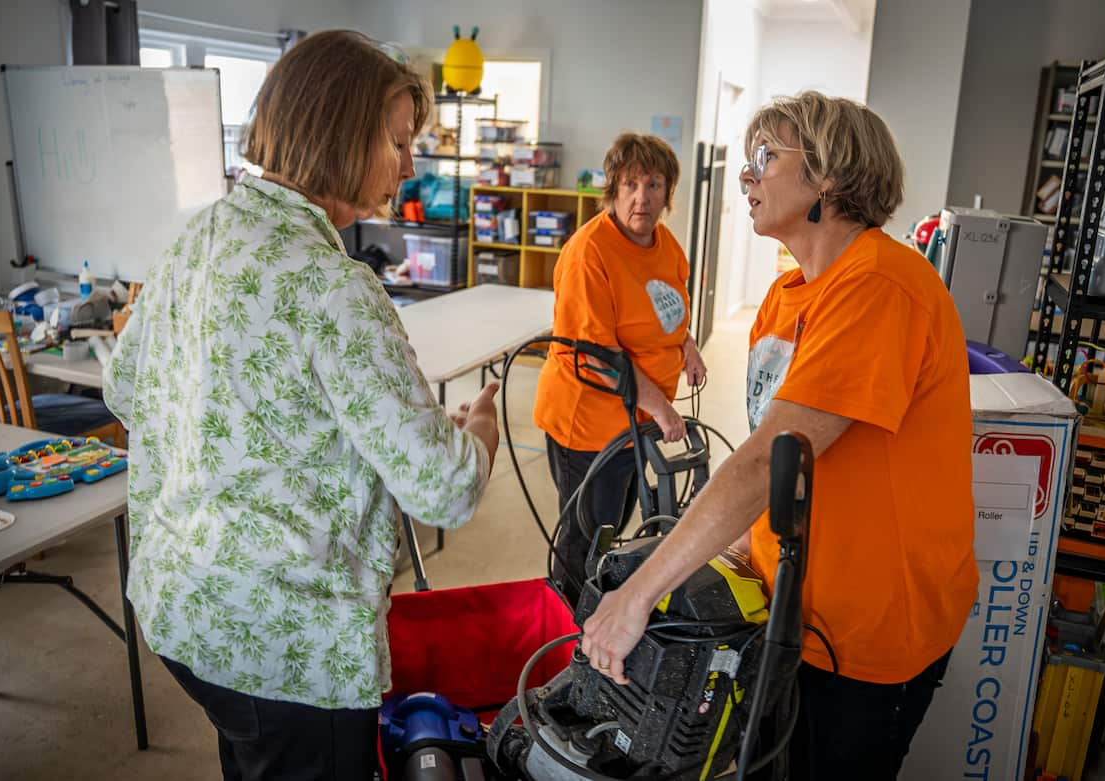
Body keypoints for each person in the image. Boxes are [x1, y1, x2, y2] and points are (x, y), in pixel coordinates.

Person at [103, 31, 499, 781]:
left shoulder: (201, 235)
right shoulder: (335, 286)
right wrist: (480, 431)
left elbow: (128, 388)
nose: (410, 166)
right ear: (344, 134)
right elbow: (444, 489)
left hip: (184, 607)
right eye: (399, 142)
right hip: (288, 648)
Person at [578, 92, 979, 780]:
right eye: (747, 159)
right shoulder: (787, 295)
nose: (746, 176)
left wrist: (638, 591)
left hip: (869, 628)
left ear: (828, 173)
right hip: (789, 606)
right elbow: (783, 452)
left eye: (767, 156)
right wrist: (733, 545)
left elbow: (768, 456)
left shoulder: (881, 286)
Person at [532, 132, 707, 606]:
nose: (641, 198)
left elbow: (665, 313)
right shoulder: (589, 253)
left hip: (636, 424)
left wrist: (686, 345)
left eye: (653, 185)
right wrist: (664, 409)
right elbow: (598, 358)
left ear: (668, 193)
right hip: (587, 425)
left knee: (619, 525)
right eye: (630, 184)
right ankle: (565, 628)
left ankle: (597, 616)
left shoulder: (666, 246)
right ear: (612, 189)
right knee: (587, 537)